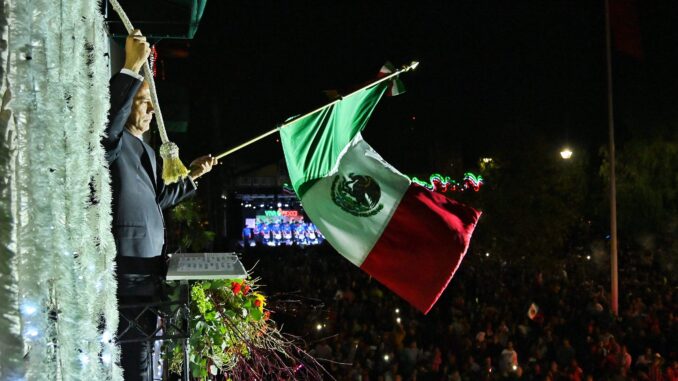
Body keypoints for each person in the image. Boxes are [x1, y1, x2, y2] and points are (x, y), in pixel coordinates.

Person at [103, 30, 217, 381]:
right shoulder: (114, 141)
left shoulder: (149, 152)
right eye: (143, 101)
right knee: (131, 360)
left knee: (144, 356)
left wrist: (194, 174)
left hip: (149, 271)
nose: (152, 109)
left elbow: (159, 199)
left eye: (152, 103)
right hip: (126, 269)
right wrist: (131, 68)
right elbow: (108, 128)